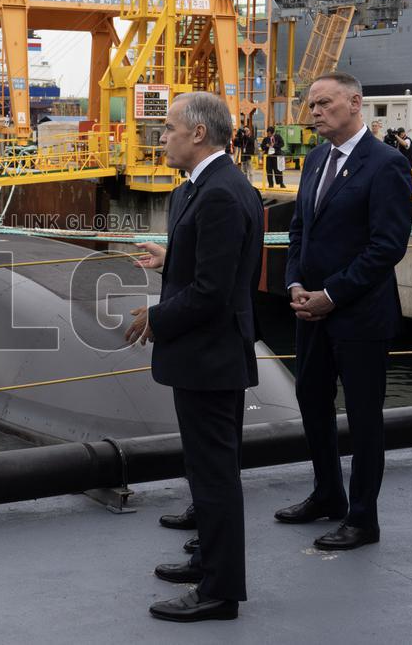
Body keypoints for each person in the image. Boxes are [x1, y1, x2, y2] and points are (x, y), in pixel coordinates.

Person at [126, 92, 264, 623]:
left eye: (167, 130)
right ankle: (209, 559)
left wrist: (155, 318)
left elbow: (213, 291)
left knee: (214, 475)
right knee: (205, 467)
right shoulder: (200, 189)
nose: (161, 139)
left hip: (212, 358)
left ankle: (220, 591)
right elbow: (209, 264)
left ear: (198, 134)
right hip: (204, 356)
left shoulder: (222, 194)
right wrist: (172, 256)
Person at [276, 71, 412, 551]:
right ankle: (327, 494)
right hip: (310, 312)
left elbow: (386, 248)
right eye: (311, 104)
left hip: (359, 318)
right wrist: (294, 283)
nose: (314, 112)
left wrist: (330, 295)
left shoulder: (386, 165)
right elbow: (299, 232)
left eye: (324, 103)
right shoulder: (314, 159)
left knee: (363, 418)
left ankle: (362, 518)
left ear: (355, 103)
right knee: (312, 406)